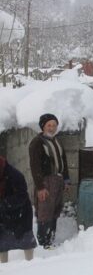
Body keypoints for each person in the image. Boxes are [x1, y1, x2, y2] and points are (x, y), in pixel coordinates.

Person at [29, 113, 70, 249]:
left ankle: (51, 239)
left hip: (57, 180)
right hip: (46, 181)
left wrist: (66, 180)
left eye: (54, 125)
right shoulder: (37, 143)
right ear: (43, 127)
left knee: (55, 210)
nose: (52, 128)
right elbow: (35, 167)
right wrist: (40, 187)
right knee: (45, 211)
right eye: (49, 125)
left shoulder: (56, 140)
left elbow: (63, 160)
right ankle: (43, 243)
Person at [0, 156, 37, 263]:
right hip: (4, 215)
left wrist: (4, 203)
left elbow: (22, 196)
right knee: (2, 243)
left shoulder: (15, 176)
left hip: (21, 213)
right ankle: (4, 267)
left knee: (26, 241)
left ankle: (32, 265)